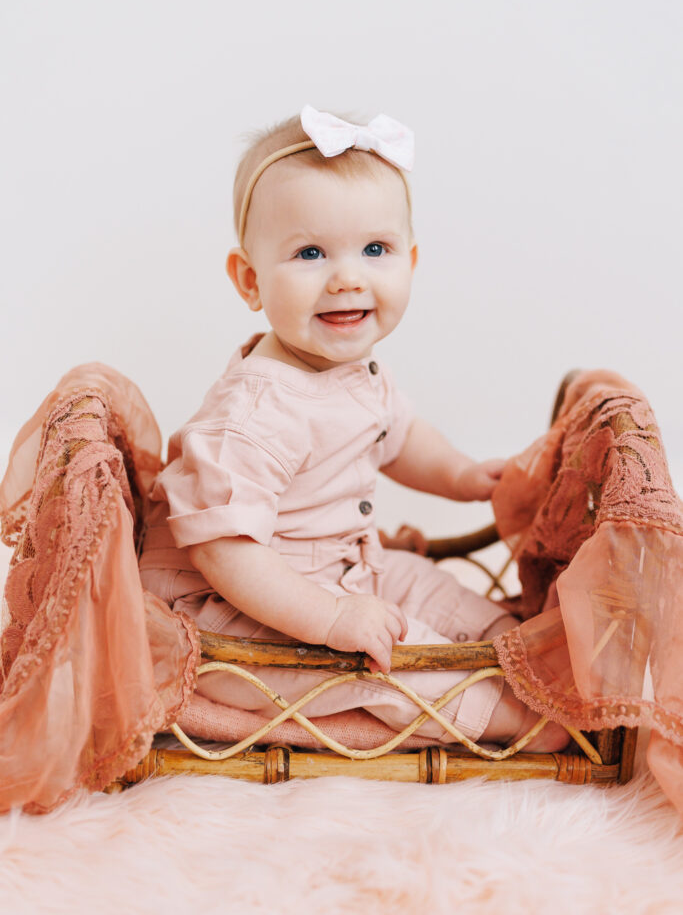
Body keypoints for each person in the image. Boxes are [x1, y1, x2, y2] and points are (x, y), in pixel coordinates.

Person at [140, 105, 569, 750]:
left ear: (411, 261)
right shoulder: (253, 414)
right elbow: (223, 552)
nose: (348, 276)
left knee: (436, 592)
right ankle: (512, 720)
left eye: (375, 249)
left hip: (344, 568)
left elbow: (400, 435)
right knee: (381, 671)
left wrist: (460, 475)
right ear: (250, 279)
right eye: (310, 252)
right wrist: (332, 617)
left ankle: (512, 652)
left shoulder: (358, 370)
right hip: (243, 617)